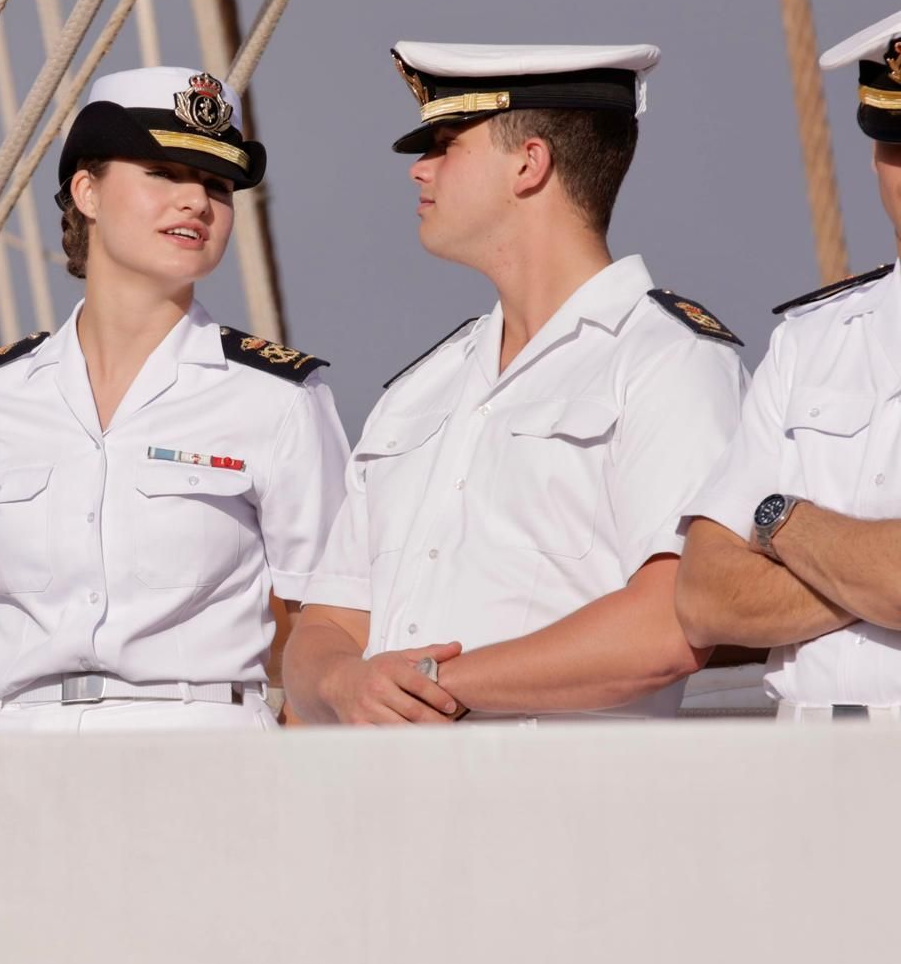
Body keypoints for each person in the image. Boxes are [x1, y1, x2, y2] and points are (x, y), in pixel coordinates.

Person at [285, 43, 747, 725]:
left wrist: (426, 683)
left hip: (557, 814)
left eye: (445, 144)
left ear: (530, 163)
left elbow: (671, 624)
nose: (420, 169)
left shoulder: (668, 362)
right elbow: (326, 627)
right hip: (389, 812)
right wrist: (343, 685)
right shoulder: (420, 390)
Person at [0, 66, 348, 733]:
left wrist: (267, 783)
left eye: (216, 185)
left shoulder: (278, 400)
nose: (196, 202)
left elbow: (332, 622)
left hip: (205, 762)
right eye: (164, 174)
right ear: (86, 190)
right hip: (13, 770)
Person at [675, 9, 901, 723]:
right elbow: (706, 594)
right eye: (898, 142)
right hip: (804, 765)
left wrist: (780, 523)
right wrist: (870, 574)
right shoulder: (812, 339)